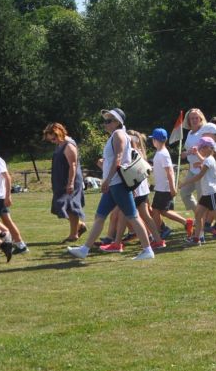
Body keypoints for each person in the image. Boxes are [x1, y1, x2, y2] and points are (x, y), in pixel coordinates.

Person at [66, 109, 155, 261]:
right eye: (105, 121)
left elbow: (118, 159)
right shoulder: (116, 135)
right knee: (100, 216)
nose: (105, 124)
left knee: (133, 216)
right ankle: (84, 249)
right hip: (114, 184)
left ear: (117, 122)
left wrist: (107, 180)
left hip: (118, 184)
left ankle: (148, 250)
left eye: (108, 121)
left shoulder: (119, 134)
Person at [46, 123, 86, 242]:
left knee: (70, 207)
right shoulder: (60, 144)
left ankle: (74, 234)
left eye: (54, 138)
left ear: (60, 133)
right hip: (61, 180)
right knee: (61, 205)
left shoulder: (69, 145)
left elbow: (73, 165)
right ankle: (79, 226)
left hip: (70, 180)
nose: (53, 141)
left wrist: (71, 183)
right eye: (50, 140)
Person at [148, 128, 190, 239]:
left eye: (153, 139)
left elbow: (170, 171)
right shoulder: (160, 153)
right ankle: (181, 224)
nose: (152, 141)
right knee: (161, 211)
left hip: (164, 188)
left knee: (159, 210)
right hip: (161, 187)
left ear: (156, 140)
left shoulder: (163, 154)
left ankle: (160, 231)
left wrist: (172, 188)